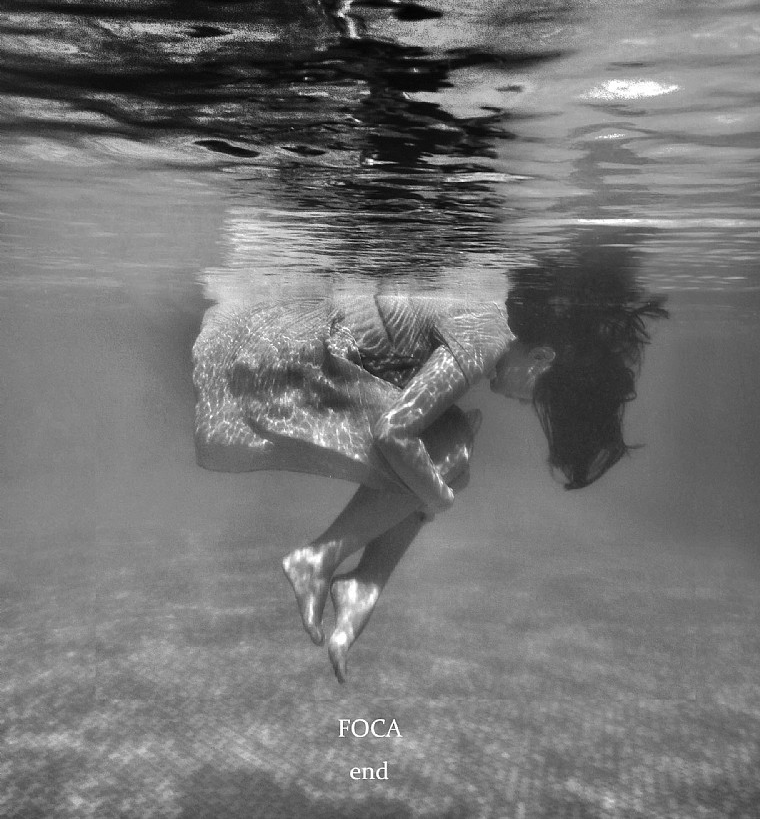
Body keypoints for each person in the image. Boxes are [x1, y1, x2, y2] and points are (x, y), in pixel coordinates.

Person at [193, 252, 666, 682]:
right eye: (535, 397)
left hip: (288, 349)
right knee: (450, 453)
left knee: (449, 443)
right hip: (282, 362)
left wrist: (433, 488)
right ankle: (321, 561)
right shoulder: (487, 334)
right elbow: (394, 432)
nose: (524, 403)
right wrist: (439, 499)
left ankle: (362, 582)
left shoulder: (488, 321)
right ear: (542, 357)